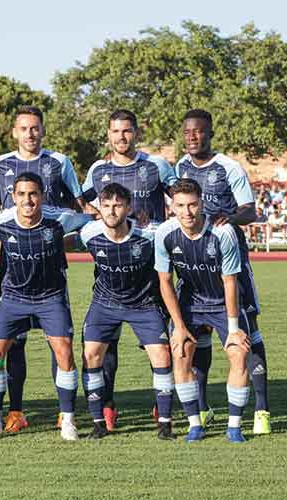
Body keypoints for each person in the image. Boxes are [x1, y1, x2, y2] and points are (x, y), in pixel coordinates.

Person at [0, 106, 89, 434]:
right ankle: (9, 414)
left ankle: (65, 416)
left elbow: (82, 209)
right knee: (9, 347)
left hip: (52, 284)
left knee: (61, 346)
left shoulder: (59, 163)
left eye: (35, 128)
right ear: (15, 132)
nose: (30, 133)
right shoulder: (1, 166)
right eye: (24, 128)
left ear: (43, 130)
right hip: (13, 285)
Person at [175, 109, 271, 435]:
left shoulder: (229, 167)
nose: (192, 137)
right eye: (187, 132)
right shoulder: (181, 167)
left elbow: (250, 210)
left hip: (231, 263)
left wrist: (229, 216)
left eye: (198, 132)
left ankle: (261, 410)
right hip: (195, 265)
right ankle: (201, 409)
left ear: (210, 133)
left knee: (247, 333)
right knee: (196, 335)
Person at [80, 109, 177, 426]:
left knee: (158, 341)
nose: (121, 137)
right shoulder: (98, 170)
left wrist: (163, 224)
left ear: (136, 133)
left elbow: (180, 197)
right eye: (115, 132)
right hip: (113, 266)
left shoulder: (156, 166)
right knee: (106, 343)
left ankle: (159, 404)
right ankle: (107, 405)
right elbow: (80, 202)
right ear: (107, 134)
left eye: (127, 131)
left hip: (152, 267)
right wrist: (97, 217)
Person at [155, 178, 251, 443]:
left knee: (238, 353)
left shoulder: (223, 232)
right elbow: (165, 282)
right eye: (181, 205)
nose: (187, 212)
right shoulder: (164, 234)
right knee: (181, 352)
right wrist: (179, 327)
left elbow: (230, 281)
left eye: (193, 205)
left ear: (202, 203)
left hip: (223, 303)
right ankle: (195, 424)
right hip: (189, 304)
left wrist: (233, 330)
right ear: (172, 206)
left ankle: (234, 426)